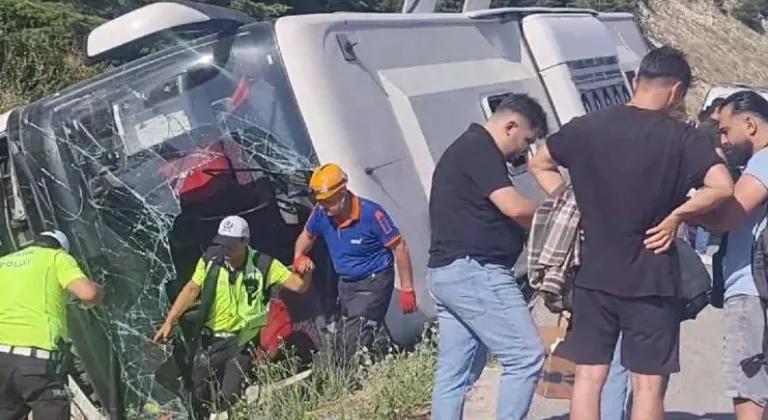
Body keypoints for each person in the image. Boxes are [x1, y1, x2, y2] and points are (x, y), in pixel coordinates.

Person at [529, 46, 734, 420]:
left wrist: (570, 201)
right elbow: (722, 187)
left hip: (593, 273)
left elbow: (540, 162)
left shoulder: (586, 126)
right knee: (647, 386)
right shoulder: (682, 138)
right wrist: (677, 216)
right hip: (652, 278)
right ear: (676, 92)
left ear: (637, 81)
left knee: (589, 378)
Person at [428, 93, 548, 420]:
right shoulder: (480, 148)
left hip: (447, 273)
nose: (525, 151)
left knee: (456, 375)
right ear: (510, 125)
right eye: (526, 140)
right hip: (475, 270)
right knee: (526, 356)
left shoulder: (466, 149)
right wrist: (559, 214)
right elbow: (513, 207)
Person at [153, 215, 312, 416]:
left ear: (245, 242)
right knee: (197, 393)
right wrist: (170, 320)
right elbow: (192, 288)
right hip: (212, 338)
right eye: (222, 244)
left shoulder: (263, 264)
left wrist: (306, 271)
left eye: (230, 245)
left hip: (243, 339)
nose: (225, 250)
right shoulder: (211, 260)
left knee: (230, 394)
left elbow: (298, 286)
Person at [690, 90, 768, 420]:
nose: (723, 139)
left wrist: (684, 213)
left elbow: (729, 216)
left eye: (725, 129)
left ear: (749, 123)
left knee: (749, 392)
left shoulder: (764, 159)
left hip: (751, 288)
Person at [293, 163, 417, 367]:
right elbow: (306, 236)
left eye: (328, 202)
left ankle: (356, 383)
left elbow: (400, 247)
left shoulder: (372, 215)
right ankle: (342, 379)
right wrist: (299, 256)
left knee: (355, 339)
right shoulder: (321, 213)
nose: (325, 208)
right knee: (339, 343)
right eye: (321, 203)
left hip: (374, 281)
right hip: (347, 284)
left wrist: (407, 288)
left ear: (342, 193)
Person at [0, 230, 104, 419]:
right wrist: (99, 290)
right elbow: (88, 294)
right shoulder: (57, 257)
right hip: (37, 364)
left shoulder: (4, 262)